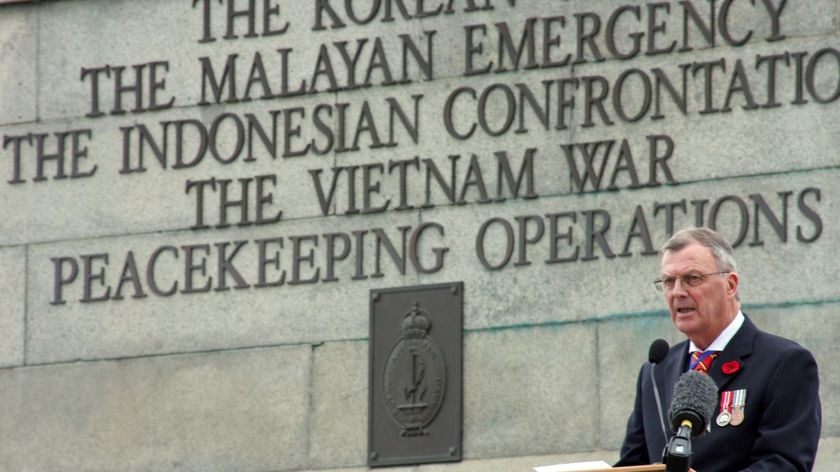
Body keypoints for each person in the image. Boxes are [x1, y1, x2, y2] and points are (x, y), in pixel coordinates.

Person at [615, 227, 821, 471]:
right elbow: (633, 464)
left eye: (692, 278)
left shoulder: (785, 363)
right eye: (669, 281)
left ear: (730, 285)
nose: (678, 292)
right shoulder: (655, 371)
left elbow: (784, 464)